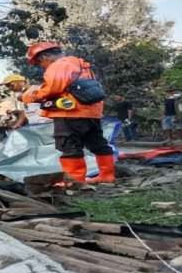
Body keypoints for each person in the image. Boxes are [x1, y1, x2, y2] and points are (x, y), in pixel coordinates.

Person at [20, 42, 115, 185]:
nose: (41, 65)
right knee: (98, 143)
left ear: (46, 55)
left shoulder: (59, 65)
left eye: (40, 61)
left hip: (70, 113)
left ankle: (74, 181)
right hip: (91, 113)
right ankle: (107, 176)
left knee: (69, 146)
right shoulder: (81, 64)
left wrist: (30, 96)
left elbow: (51, 89)